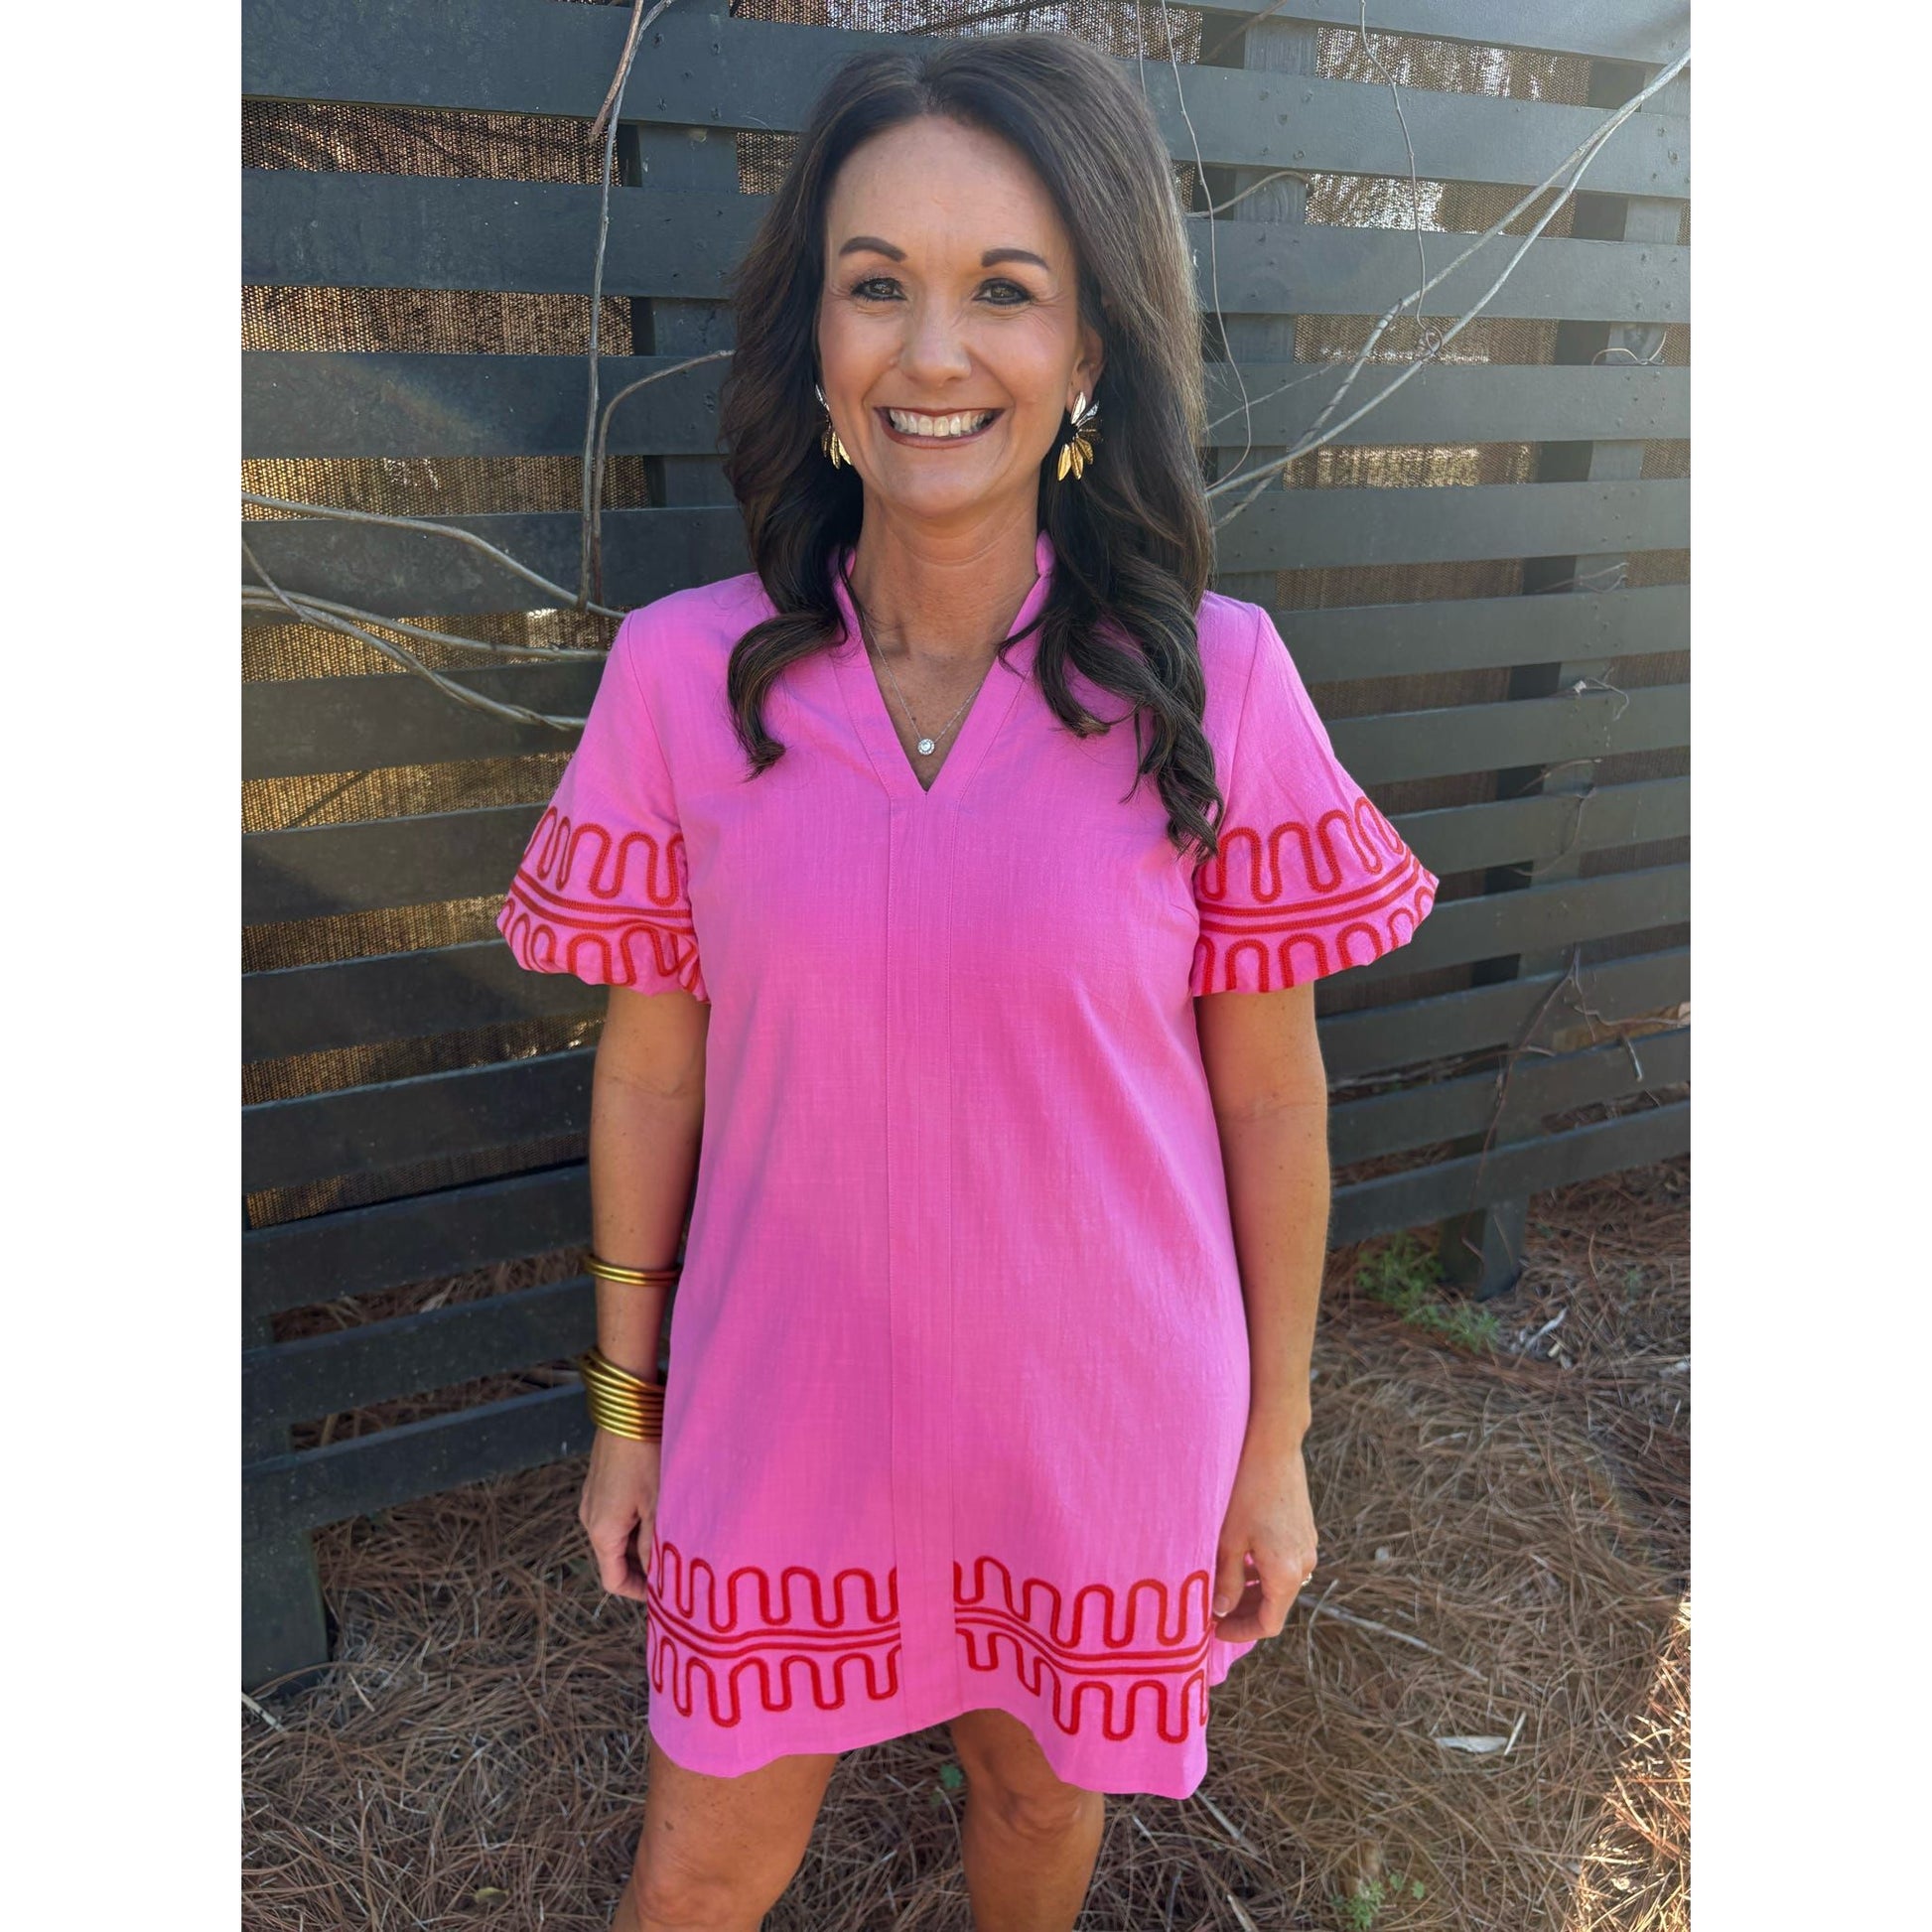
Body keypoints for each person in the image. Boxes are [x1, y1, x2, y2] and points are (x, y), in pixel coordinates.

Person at [495, 32, 1439, 1932]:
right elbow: (648, 1075)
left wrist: (1273, 1452)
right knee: (697, 1864)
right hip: (784, 1415)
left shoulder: (1217, 684)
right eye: (878, 287)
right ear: (817, 340)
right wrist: (626, 1403)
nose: (933, 355)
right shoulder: (683, 682)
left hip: (1098, 1427)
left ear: (1089, 350)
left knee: (1033, 1816)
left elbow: (1270, 1099)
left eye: (1004, 291)